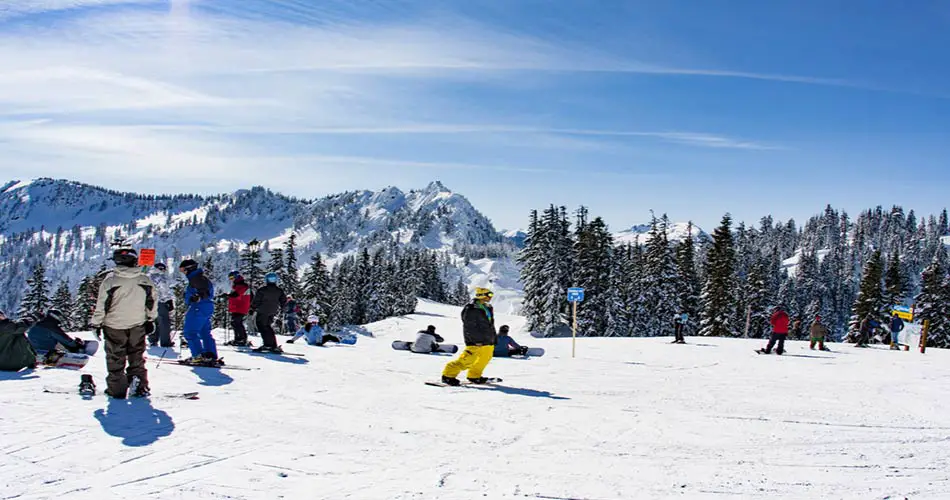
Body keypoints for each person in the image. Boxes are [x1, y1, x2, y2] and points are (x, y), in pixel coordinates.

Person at [90, 248, 158, 398]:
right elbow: (152, 303)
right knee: (137, 357)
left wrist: (96, 324)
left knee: (115, 358)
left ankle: (117, 390)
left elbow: (101, 305)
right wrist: (151, 319)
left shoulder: (110, 281)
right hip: (137, 324)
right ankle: (139, 385)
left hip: (114, 325)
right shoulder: (145, 280)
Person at [442, 287, 497, 385]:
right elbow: (469, 326)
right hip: (476, 341)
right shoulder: (471, 308)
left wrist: (493, 338)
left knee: (484, 359)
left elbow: (490, 325)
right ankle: (448, 375)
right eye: (489, 295)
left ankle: (474, 376)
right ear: (481, 295)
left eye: (491, 295)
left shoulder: (487, 307)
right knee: (467, 360)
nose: (490, 297)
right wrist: (476, 340)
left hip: (488, 340)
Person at [178, 259, 220, 365]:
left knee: (190, 332)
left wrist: (198, 297)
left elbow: (204, 291)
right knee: (204, 332)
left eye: (183, 270)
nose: (183, 272)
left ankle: (198, 355)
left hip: (198, 308)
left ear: (189, 269)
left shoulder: (196, 279)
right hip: (206, 307)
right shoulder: (199, 278)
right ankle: (210, 354)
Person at [250, 272, 287, 353]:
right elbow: (283, 301)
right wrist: (283, 308)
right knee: (268, 326)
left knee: (262, 326)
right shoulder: (279, 290)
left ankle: (267, 345)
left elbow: (256, 301)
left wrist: (252, 308)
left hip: (262, 310)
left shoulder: (262, 290)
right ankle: (273, 344)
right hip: (272, 311)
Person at [147, 262, 175, 347]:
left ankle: (152, 339)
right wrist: (169, 300)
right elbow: (164, 290)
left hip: (150, 302)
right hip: (160, 301)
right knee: (164, 322)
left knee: (153, 321)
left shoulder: (148, 276)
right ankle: (165, 342)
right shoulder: (161, 277)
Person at [225, 271, 252, 346]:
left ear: (236, 277)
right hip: (237, 307)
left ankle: (241, 339)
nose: (231, 280)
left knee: (237, 322)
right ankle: (238, 338)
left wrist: (228, 295)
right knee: (235, 323)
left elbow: (236, 295)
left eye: (232, 278)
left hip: (240, 307)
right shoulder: (237, 285)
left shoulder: (242, 285)